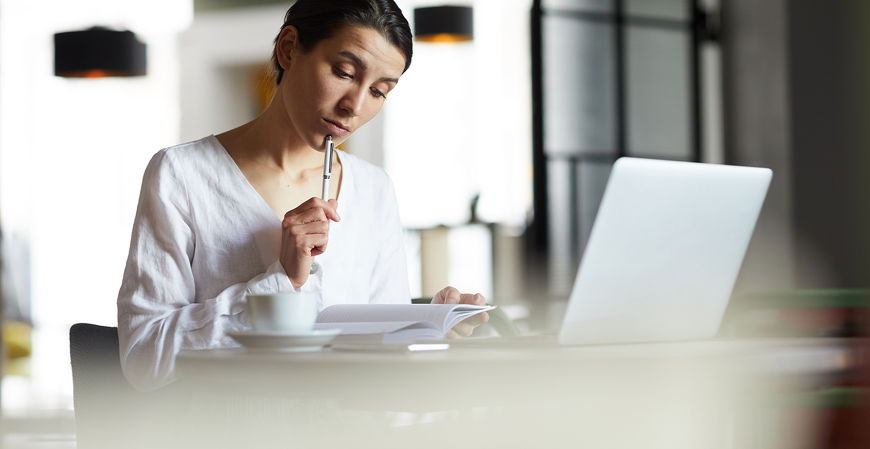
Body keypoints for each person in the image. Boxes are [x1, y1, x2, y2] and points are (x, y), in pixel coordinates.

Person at [117, 0, 488, 393]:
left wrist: (430, 327)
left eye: (379, 91)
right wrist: (279, 282)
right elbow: (143, 358)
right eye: (345, 72)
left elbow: (385, 371)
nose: (355, 106)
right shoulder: (182, 174)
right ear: (289, 48)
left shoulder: (374, 189)